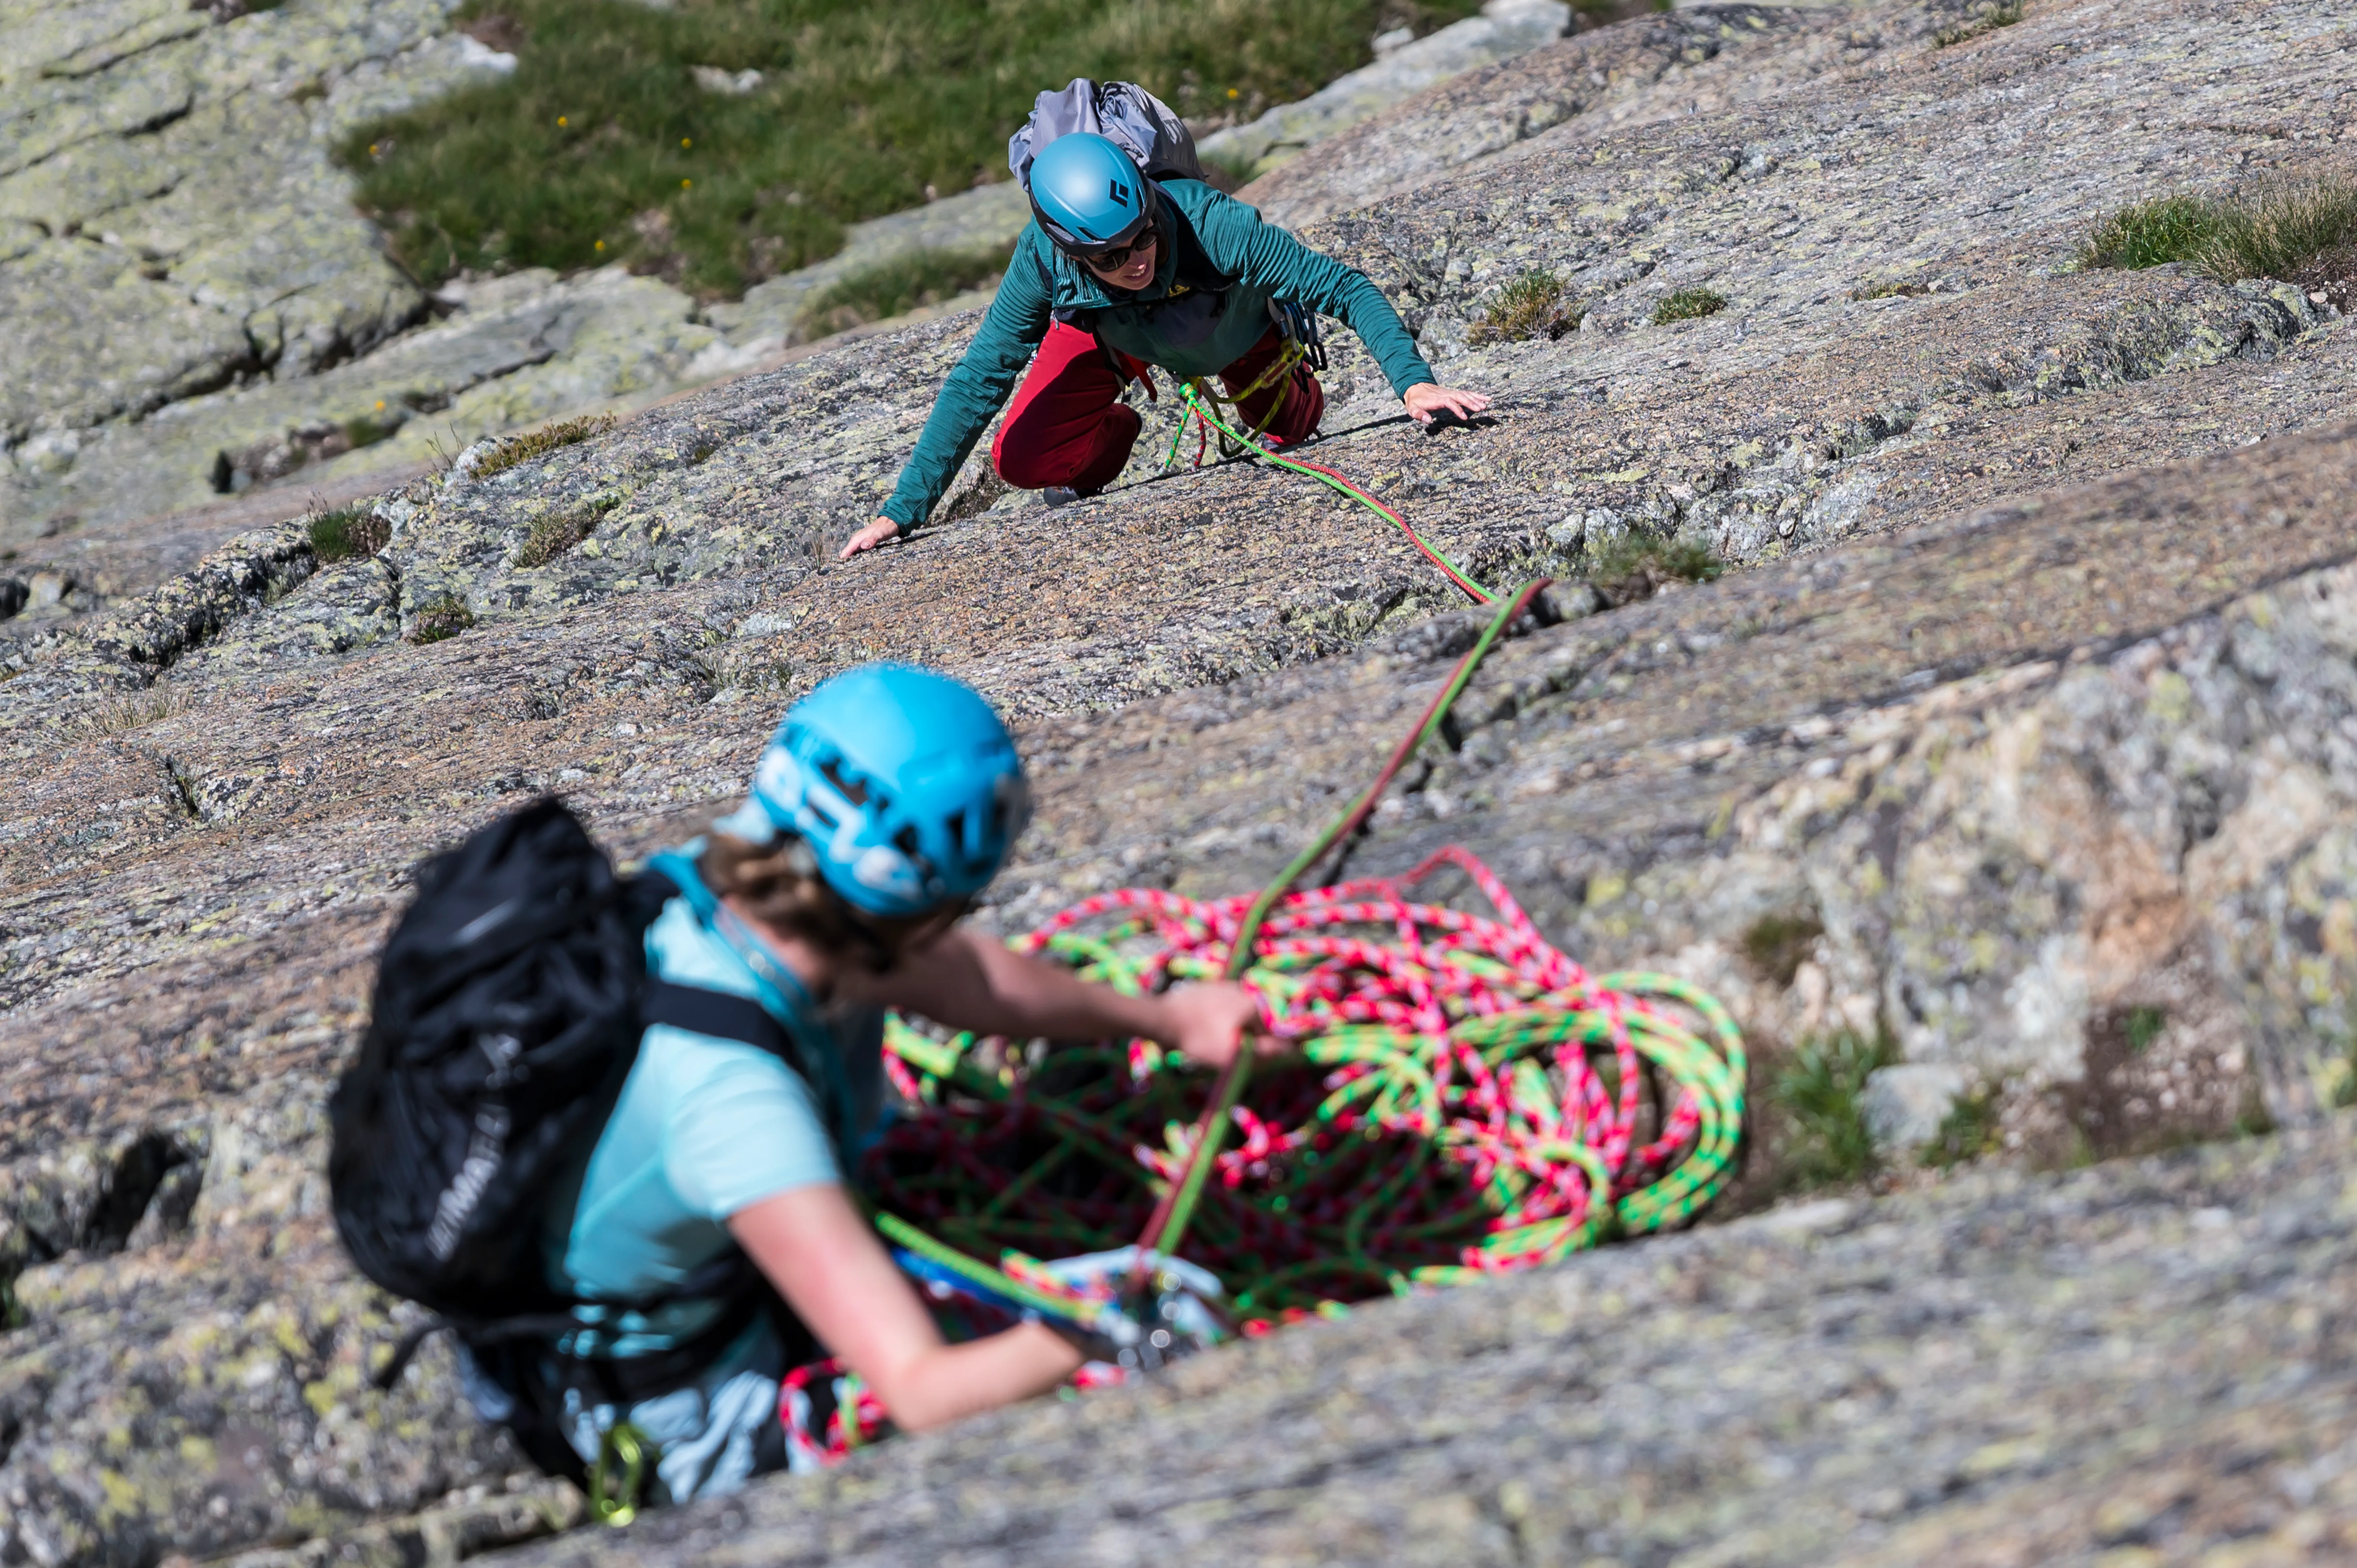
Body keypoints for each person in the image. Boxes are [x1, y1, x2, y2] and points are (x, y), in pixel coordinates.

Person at [465, 663, 1262, 1504]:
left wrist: (1170, 1021)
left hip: (713, 1269)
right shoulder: (740, 1106)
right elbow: (924, 1391)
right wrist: (1122, 1320)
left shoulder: (743, 884)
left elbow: (963, 981)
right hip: (686, 1405)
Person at [838, 130, 1491, 559]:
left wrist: (1414, 383)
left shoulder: (1213, 225)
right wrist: (904, 512)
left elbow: (1342, 288)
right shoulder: (1043, 260)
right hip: (1118, 339)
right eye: (1111, 255)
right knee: (1021, 460)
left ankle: (1287, 381)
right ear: (1068, 250)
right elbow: (981, 375)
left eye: (1144, 236)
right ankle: (1110, 433)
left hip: (1230, 330)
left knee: (1286, 428)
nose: (1137, 260)